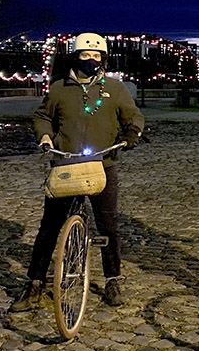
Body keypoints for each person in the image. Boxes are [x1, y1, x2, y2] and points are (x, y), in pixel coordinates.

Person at [10, 32, 144, 311]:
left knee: (108, 226)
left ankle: (113, 279)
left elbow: (133, 115)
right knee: (48, 228)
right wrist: (45, 136)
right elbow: (42, 116)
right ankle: (34, 282)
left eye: (97, 56)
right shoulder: (59, 88)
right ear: (75, 57)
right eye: (86, 55)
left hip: (102, 164)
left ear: (103, 59)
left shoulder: (115, 88)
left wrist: (133, 132)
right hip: (65, 164)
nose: (91, 61)